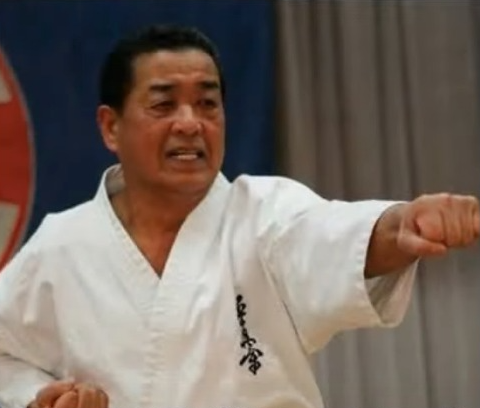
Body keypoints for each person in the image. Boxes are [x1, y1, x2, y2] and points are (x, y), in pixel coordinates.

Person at [0, 25, 478, 408]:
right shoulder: (61, 246)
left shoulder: (266, 214)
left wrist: (403, 223)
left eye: (207, 104)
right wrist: (41, 397)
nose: (191, 122)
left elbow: (336, 237)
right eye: (164, 104)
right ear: (111, 127)